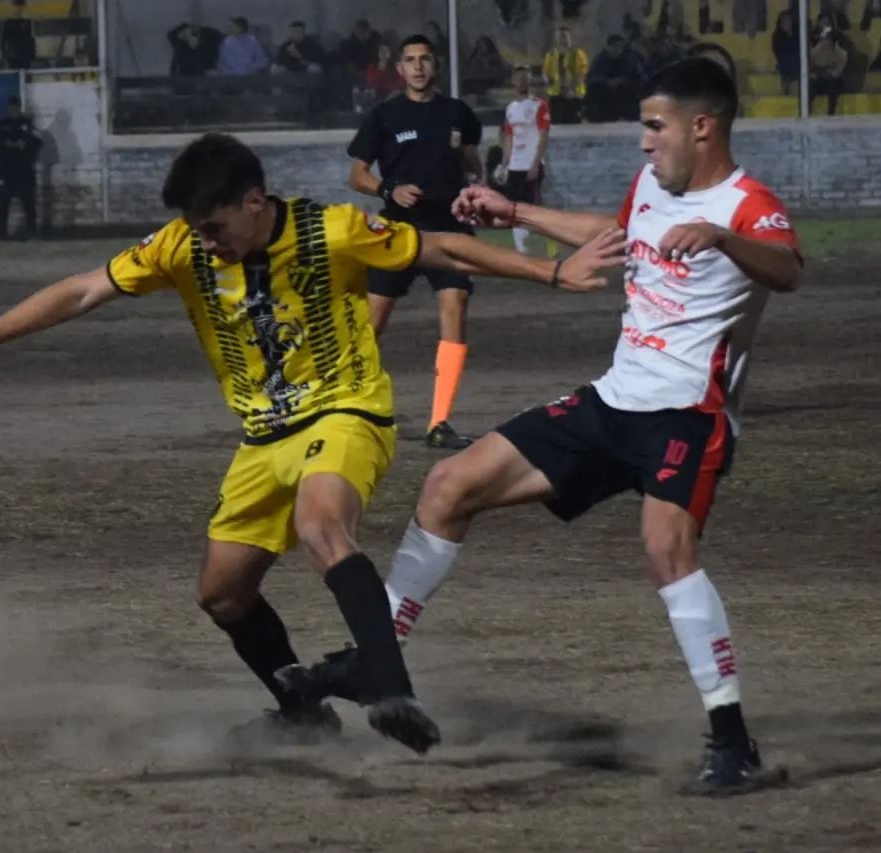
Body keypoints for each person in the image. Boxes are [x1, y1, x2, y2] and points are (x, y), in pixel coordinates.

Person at [0, 132, 625, 756]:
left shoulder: (334, 230)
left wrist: (553, 272)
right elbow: (80, 291)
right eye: (194, 227)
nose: (204, 240)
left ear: (255, 201)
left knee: (321, 524)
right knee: (223, 595)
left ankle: (390, 687)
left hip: (345, 414)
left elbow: (438, 244)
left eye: (215, 225)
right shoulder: (180, 246)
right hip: (262, 438)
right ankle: (304, 714)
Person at [283, 58, 804, 796]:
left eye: (654, 127)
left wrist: (721, 238)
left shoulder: (749, 204)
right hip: (614, 399)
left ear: (702, 126)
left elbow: (785, 268)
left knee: (665, 551)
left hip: (689, 414)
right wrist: (516, 213)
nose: (644, 144)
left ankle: (732, 739)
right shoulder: (656, 187)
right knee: (447, 484)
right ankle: (380, 653)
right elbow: (618, 233)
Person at [347, 35, 485, 451]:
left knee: (455, 305)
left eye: (425, 59)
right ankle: (345, 410)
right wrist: (389, 189)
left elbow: (470, 161)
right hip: (398, 229)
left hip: (449, 226)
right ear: (400, 69)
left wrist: (478, 182)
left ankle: (440, 421)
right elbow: (356, 175)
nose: (418, 66)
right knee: (373, 322)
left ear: (435, 66)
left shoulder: (458, 113)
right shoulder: (384, 115)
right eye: (410, 60)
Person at [490, 64, 552, 257]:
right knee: (513, 206)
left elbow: (543, 136)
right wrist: (504, 164)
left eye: (525, 78)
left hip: (531, 164)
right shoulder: (511, 109)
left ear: (529, 81)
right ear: (513, 81)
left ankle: (550, 241)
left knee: (532, 207)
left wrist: (536, 163)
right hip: (515, 165)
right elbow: (509, 138)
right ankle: (521, 248)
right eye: (518, 78)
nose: (522, 82)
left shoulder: (539, 105)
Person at [0, 95, 43, 239]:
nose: (14, 110)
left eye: (16, 108)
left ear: (20, 108)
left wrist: (25, 145)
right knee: (4, 203)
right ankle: (2, 232)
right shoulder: (1, 124)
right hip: (6, 169)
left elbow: (38, 142)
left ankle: (32, 232)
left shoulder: (27, 124)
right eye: (11, 108)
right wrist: (6, 144)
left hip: (24, 169)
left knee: (28, 202)